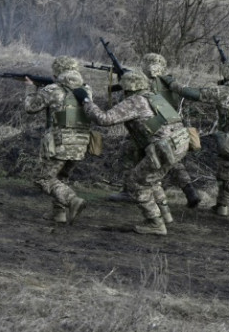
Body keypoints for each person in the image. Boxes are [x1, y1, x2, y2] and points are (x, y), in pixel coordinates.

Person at [76, 69, 190, 235]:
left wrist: (86, 100)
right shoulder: (155, 97)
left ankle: (155, 223)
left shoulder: (135, 101)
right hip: (179, 142)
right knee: (151, 179)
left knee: (135, 183)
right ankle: (165, 216)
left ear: (128, 89)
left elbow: (104, 119)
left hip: (163, 147)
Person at [163, 59, 229, 225]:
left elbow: (192, 93)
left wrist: (171, 83)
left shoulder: (225, 91)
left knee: (227, 178)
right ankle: (221, 207)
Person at [108, 53, 201, 208]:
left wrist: (123, 80)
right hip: (172, 123)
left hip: (152, 125)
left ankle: (131, 191)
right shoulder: (168, 80)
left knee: (136, 154)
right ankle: (189, 190)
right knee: (171, 160)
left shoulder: (143, 82)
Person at [24, 56, 91, 223]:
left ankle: (72, 200)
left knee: (42, 178)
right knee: (60, 178)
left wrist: (30, 89)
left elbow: (30, 108)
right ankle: (58, 213)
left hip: (60, 143)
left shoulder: (52, 90)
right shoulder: (86, 90)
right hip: (81, 143)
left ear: (57, 71)